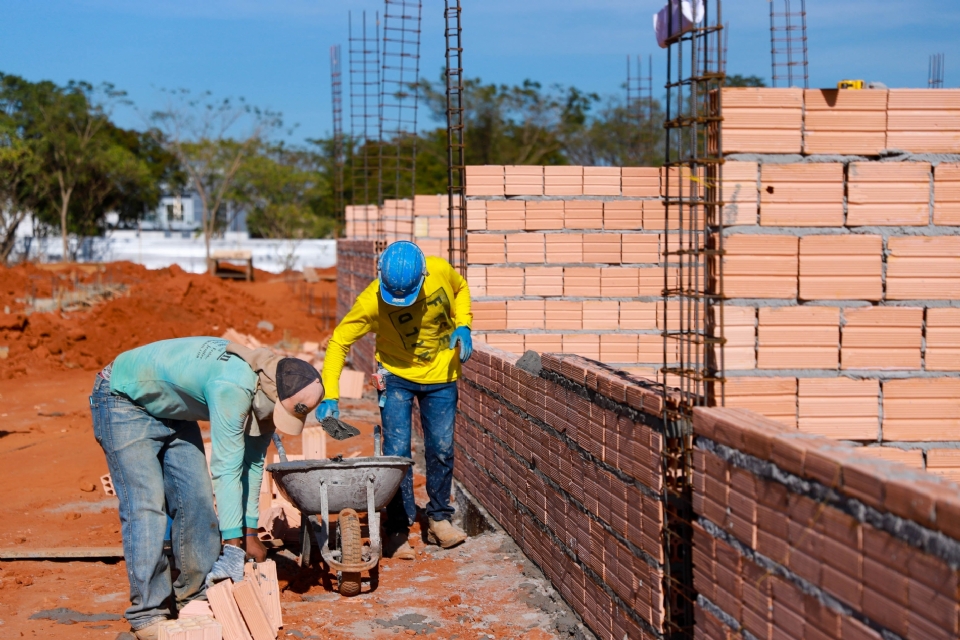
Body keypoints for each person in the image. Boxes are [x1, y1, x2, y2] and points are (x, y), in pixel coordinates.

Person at [89, 336, 323, 639]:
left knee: (197, 501)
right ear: (271, 395)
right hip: (123, 399)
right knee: (146, 508)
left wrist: (250, 531)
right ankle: (148, 614)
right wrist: (233, 548)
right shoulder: (233, 387)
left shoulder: (268, 386)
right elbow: (226, 468)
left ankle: (195, 599)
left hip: (172, 410)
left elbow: (252, 464)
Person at [318, 240, 473, 560]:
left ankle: (439, 519)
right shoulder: (371, 300)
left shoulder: (440, 271)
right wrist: (330, 394)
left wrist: (464, 323)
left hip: (442, 377)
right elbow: (338, 343)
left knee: (441, 448)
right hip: (395, 377)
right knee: (397, 453)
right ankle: (399, 525)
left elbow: (461, 289)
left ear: (423, 277)